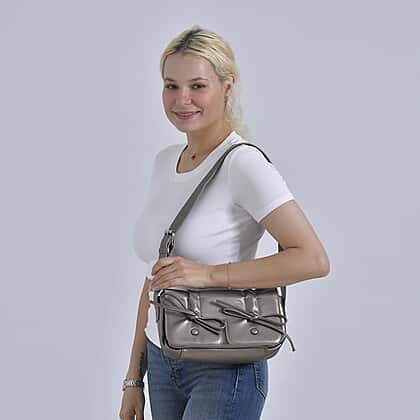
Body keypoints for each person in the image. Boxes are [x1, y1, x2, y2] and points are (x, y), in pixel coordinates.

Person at [119, 25, 330, 420]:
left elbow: (313, 259)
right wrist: (134, 377)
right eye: (171, 86)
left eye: (197, 86)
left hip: (225, 364)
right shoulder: (165, 162)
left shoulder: (242, 164)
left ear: (227, 86)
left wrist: (208, 275)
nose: (182, 99)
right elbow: (154, 277)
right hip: (163, 362)